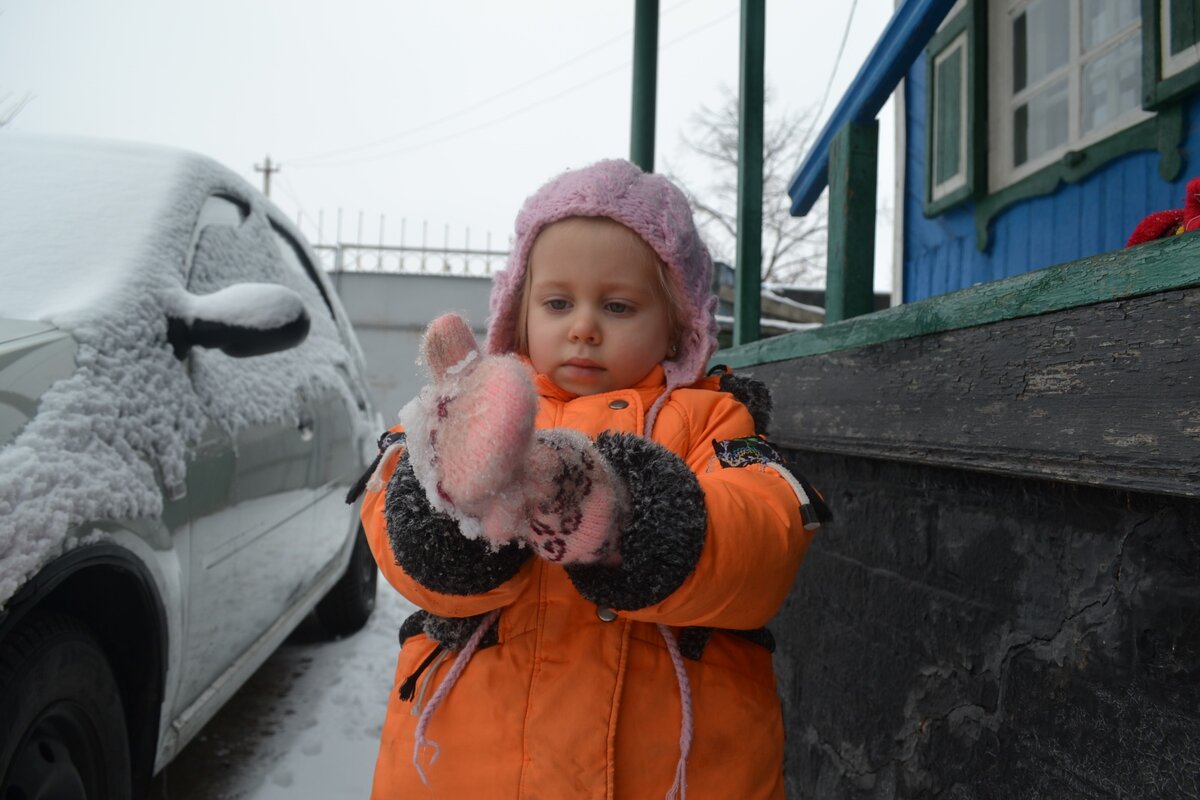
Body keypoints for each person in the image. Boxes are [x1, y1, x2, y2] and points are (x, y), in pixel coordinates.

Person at [351, 159, 828, 799]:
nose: (582, 326)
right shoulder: (472, 413)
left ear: (677, 321)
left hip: (673, 773)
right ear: (518, 312)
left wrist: (624, 516)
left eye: (617, 305)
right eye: (557, 302)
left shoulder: (716, 418)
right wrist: (454, 505)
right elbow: (386, 515)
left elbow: (767, 532)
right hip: (463, 766)